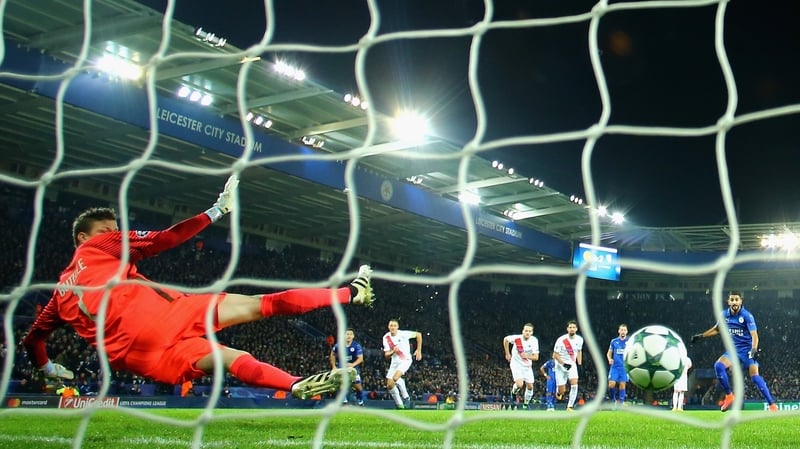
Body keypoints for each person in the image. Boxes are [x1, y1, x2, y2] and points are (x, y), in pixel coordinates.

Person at [21, 175, 374, 400]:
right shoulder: (94, 247)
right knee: (262, 304)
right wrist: (216, 211)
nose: (114, 235)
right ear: (83, 238)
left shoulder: (57, 296)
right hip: (162, 316)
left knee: (232, 359)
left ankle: (294, 384)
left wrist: (50, 369)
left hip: (139, 359)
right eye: (106, 231)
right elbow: (164, 239)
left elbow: (33, 341)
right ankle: (353, 292)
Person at [691, 291, 778, 412]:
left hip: (747, 351)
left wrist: (753, 350)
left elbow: (755, 336)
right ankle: (729, 395)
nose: (734, 302)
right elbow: (717, 329)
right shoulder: (724, 315)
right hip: (733, 351)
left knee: (755, 377)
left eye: (737, 299)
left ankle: (772, 405)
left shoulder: (747, 315)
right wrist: (701, 336)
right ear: (728, 302)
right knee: (718, 366)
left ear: (741, 301)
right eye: (732, 300)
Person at [382, 318, 422, 409]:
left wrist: (419, 349)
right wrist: (393, 352)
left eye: (394, 325)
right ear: (388, 327)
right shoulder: (386, 337)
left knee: (395, 377)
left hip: (405, 359)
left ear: (398, 327)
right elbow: (386, 355)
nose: (393, 327)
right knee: (390, 385)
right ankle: (400, 405)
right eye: (391, 325)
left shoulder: (403, 334)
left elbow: (418, 334)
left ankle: (406, 397)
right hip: (394, 362)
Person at [502, 323, 539, 409]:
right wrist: (507, 353)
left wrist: (527, 356)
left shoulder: (534, 341)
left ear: (532, 332)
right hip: (516, 364)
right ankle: (513, 393)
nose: (527, 332)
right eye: (526, 330)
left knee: (530, 387)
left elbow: (536, 357)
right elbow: (505, 340)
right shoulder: (517, 338)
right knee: (519, 384)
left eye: (529, 331)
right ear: (523, 331)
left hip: (527, 366)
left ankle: (525, 405)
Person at [329, 327, 366, 406]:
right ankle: (344, 402)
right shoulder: (338, 345)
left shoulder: (356, 346)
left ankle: (361, 401)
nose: (349, 336)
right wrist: (334, 367)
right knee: (342, 384)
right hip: (342, 367)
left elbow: (360, 358)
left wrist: (352, 364)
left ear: (353, 336)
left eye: (350, 334)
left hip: (353, 368)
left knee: (358, 387)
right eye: (347, 334)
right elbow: (332, 354)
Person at [553, 320, 584, 411]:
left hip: (572, 365)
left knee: (574, 384)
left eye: (573, 327)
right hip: (560, 365)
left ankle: (569, 406)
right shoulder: (561, 340)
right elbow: (555, 355)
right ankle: (558, 391)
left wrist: (580, 363)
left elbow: (579, 350)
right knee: (562, 391)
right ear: (567, 329)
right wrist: (563, 364)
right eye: (570, 327)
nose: (572, 329)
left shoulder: (579, 339)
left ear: (576, 329)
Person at [606, 323, 629, 409]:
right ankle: (613, 400)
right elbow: (609, 353)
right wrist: (609, 359)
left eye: (624, 330)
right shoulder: (614, 341)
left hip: (624, 367)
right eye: (621, 330)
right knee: (611, 384)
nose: (623, 332)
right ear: (619, 331)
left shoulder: (629, 342)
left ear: (626, 332)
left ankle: (621, 402)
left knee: (622, 385)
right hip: (615, 366)